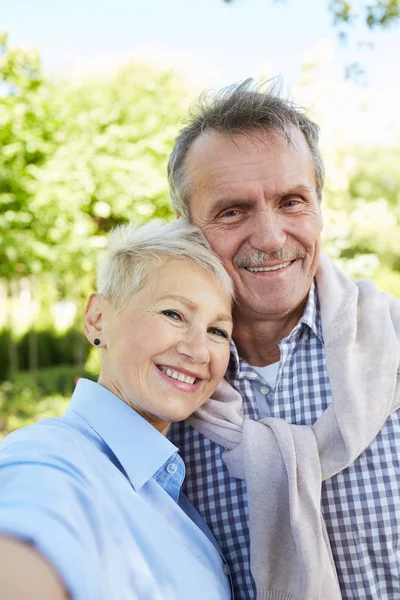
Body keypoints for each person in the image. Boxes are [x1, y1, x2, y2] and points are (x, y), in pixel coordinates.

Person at [167, 79, 400, 599]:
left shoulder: (396, 348)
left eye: (292, 201)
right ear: (186, 228)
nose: (271, 238)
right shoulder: (163, 393)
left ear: (319, 207)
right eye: (233, 211)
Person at [0, 219, 235, 600]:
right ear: (98, 319)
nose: (199, 350)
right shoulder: (50, 457)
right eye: (174, 314)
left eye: (218, 331)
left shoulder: (174, 487)